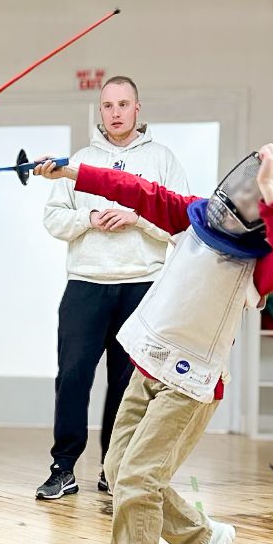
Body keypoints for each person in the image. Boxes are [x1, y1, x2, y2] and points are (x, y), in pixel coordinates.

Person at [34, 144, 273, 544]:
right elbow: (137, 190)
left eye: (263, 197)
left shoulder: (260, 269)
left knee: (137, 479)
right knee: (119, 471)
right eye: (250, 186)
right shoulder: (194, 216)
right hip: (147, 367)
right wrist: (73, 173)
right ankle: (202, 539)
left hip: (191, 386)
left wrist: (271, 189)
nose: (249, 197)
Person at [37, 76, 189, 500]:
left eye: (124, 104)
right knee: (72, 377)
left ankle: (113, 469)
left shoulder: (162, 159)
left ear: (138, 108)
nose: (116, 112)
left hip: (142, 287)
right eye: (108, 105)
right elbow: (53, 220)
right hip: (86, 285)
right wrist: (88, 219)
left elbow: (181, 224)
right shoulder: (80, 161)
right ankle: (62, 468)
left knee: (128, 386)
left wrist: (136, 218)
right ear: (100, 111)